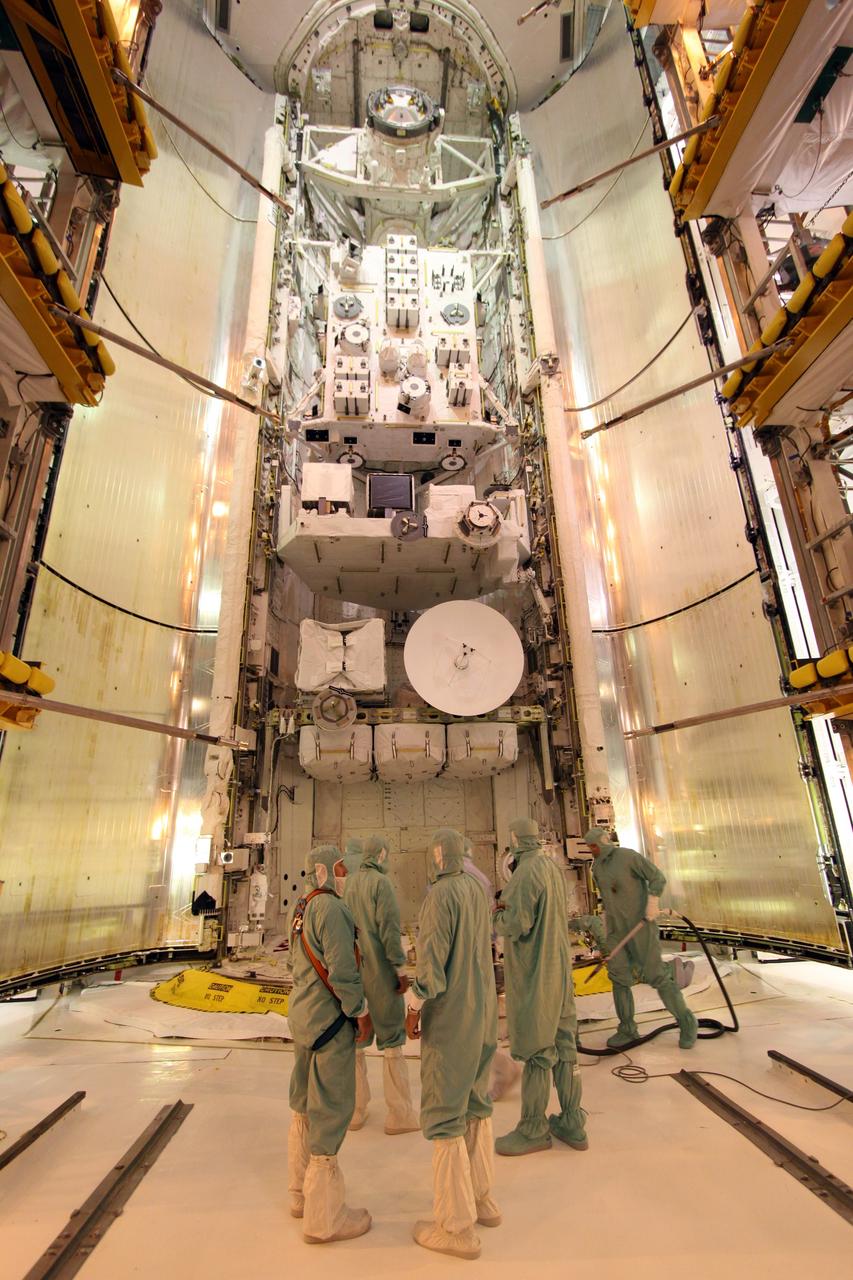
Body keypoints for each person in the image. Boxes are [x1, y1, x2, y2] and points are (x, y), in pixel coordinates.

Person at [406, 828, 500, 1261]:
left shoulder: (441, 895)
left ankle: (455, 1228)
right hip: (482, 1017)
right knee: (476, 1106)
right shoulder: (477, 890)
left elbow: (432, 967)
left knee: (446, 1115)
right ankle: (482, 1201)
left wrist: (412, 1003)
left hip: (453, 1020)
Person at [286, 844, 373, 1243]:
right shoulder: (333, 909)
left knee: (302, 1105)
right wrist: (358, 1011)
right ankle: (325, 1217)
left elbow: (293, 964)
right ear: (322, 870)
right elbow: (342, 969)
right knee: (331, 1110)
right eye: (339, 867)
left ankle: (299, 1194)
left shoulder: (300, 907)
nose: (344, 872)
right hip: (330, 1021)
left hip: (303, 1018)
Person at [493, 817, 587, 1157]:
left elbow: (517, 923)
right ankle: (573, 1121)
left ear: (515, 840)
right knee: (565, 1047)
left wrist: (496, 916)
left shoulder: (524, 874)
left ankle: (533, 1129)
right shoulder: (551, 868)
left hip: (536, 977)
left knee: (537, 1052)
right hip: (560, 973)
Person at [582, 828, 698, 1049]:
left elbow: (657, 877)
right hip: (617, 930)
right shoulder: (596, 868)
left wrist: (652, 902)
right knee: (618, 977)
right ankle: (627, 1029)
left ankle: (686, 1021)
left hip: (641, 926)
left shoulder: (628, 857)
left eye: (594, 845)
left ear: (603, 843)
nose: (592, 850)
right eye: (589, 847)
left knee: (657, 976)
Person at [344, 833, 419, 1134]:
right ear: (382, 855)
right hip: (380, 976)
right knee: (392, 1045)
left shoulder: (347, 883)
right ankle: (399, 1115)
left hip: (355, 976)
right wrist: (400, 969)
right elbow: (389, 932)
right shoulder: (381, 884)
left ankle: (355, 1111)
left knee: (356, 1044)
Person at [462, 836, 521, 1103]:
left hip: (469, 959)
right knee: (472, 1024)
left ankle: (501, 1070)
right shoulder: (478, 878)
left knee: (469, 1025)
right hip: (480, 954)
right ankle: (496, 1071)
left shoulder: (459, 880)